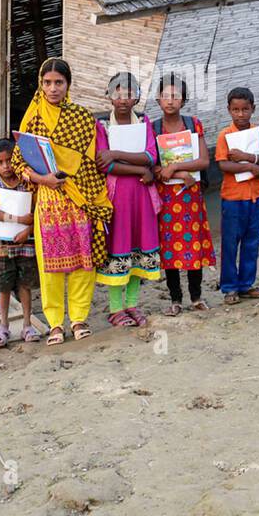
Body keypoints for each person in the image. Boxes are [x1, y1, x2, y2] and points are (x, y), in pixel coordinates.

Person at [12, 58, 112, 345]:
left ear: (68, 85)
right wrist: (45, 180)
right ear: (40, 85)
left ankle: (79, 318)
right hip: (49, 200)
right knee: (51, 264)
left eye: (59, 83)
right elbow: (20, 163)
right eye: (47, 83)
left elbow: (92, 161)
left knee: (83, 260)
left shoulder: (82, 117)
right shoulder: (33, 118)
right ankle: (55, 322)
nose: (53, 88)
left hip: (79, 196)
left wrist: (81, 188)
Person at [95, 73, 162, 328]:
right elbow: (105, 165)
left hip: (142, 197)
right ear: (109, 96)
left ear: (137, 97)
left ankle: (132, 304)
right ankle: (115, 308)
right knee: (119, 248)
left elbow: (150, 155)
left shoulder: (145, 123)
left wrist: (118, 153)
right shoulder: (102, 126)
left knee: (138, 247)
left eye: (129, 94)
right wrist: (138, 169)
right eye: (117, 93)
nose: (123, 99)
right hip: (118, 197)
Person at [152, 73, 214, 316]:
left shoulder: (193, 124)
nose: (170, 101)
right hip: (166, 197)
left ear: (184, 100)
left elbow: (204, 161)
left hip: (190, 195)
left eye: (175, 96)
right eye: (165, 96)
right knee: (170, 249)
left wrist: (177, 168)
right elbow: (153, 166)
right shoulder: (153, 127)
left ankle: (196, 296)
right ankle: (175, 298)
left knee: (193, 244)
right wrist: (164, 171)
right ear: (158, 100)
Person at [214, 87, 259, 303]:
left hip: (255, 198)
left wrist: (246, 158)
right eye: (235, 110)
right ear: (229, 110)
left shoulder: (258, 133)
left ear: (253, 109)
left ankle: (246, 284)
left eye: (245, 109)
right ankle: (230, 287)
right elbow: (223, 164)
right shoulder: (225, 135)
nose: (240, 114)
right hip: (232, 199)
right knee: (230, 243)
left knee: (252, 242)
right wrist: (253, 169)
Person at [0, 139, 41, 346]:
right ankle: (4, 325)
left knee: (25, 283)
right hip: (1, 242)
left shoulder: (28, 181)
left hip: (26, 242)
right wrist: (19, 220)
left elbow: (36, 209)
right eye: (0, 162)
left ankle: (27, 324)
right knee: (4, 286)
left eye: (9, 161)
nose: (6, 166)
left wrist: (28, 229)